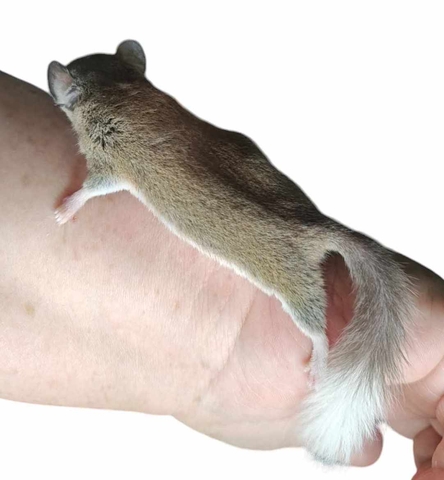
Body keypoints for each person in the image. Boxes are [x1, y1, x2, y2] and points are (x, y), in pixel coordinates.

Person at [0, 71, 443, 479]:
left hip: (262, 237)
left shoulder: (113, 142)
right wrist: (225, 333)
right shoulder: (145, 121)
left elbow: (111, 170)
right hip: (254, 219)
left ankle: (320, 345)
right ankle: (319, 346)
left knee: (290, 282)